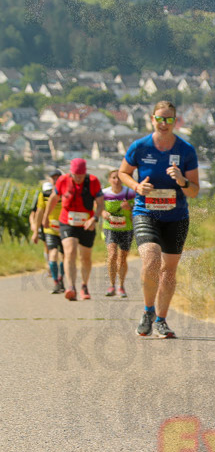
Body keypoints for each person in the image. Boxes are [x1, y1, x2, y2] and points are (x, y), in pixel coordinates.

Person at [118, 101, 200, 339]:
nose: (164, 124)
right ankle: (147, 311)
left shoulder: (186, 150)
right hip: (146, 212)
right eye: (160, 119)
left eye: (169, 119)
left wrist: (182, 180)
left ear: (176, 121)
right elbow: (123, 172)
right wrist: (136, 186)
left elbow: (193, 191)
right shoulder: (140, 146)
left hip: (176, 216)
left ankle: (162, 320)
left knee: (168, 272)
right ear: (152, 119)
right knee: (152, 259)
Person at [43, 158, 102, 301]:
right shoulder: (63, 180)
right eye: (75, 176)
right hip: (67, 222)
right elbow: (53, 198)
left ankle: (84, 285)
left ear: (85, 173)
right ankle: (71, 287)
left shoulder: (93, 181)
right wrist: (46, 216)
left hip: (87, 223)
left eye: (81, 176)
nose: (78, 179)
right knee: (69, 251)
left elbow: (100, 204)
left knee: (85, 257)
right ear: (71, 172)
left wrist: (94, 219)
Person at [29, 170, 65, 294]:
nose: (55, 180)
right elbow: (39, 212)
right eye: (53, 178)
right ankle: (56, 282)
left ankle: (62, 279)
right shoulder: (44, 194)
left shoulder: (67, 193)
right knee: (53, 254)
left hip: (65, 228)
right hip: (50, 229)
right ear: (50, 180)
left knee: (65, 257)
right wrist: (35, 231)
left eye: (57, 177)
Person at [101, 169, 136, 297]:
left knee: (122, 258)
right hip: (110, 228)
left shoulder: (130, 193)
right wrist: (103, 213)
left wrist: (130, 208)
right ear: (109, 180)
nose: (116, 180)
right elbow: (98, 206)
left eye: (119, 178)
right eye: (114, 178)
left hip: (126, 228)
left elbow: (138, 208)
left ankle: (121, 286)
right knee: (112, 254)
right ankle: (111, 285)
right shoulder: (104, 193)